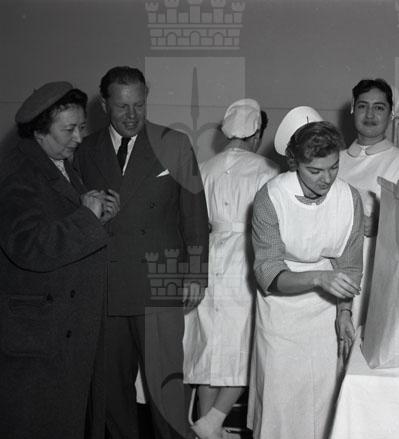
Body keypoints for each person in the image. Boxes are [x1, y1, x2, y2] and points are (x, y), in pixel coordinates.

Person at [75, 66, 210, 439]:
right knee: (109, 390)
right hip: (106, 280)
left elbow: (194, 214)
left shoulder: (174, 143)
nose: (132, 115)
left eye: (139, 104)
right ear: (105, 106)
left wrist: (196, 275)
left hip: (161, 276)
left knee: (166, 387)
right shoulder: (85, 149)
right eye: (122, 107)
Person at [0, 82, 119, 438]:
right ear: (39, 131)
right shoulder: (17, 174)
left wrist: (97, 217)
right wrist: (86, 217)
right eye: (69, 129)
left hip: (63, 326)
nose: (79, 138)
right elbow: (29, 245)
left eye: (81, 127)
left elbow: (59, 220)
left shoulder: (56, 162)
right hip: (39, 336)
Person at [248, 108, 364, 439]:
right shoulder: (271, 197)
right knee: (282, 402)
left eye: (334, 167)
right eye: (315, 171)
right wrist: (318, 279)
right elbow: (269, 273)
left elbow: (350, 264)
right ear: (294, 163)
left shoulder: (349, 198)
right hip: (281, 310)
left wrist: (344, 312)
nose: (327, 179)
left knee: (323, 401)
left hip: (327, 311)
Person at [183, 98, 278, 439]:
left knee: (208, 346)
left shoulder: (203, 168)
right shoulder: (268, 170)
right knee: (244, 343)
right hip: (247, 259)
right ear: (257, 134)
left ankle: (207, 423)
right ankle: (213, 422)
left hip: (208, 257)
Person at [338, 78, 399, 329]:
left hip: (386, 271)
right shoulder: (336, 162)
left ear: (391, 114)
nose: (370, 114)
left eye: (379, 107)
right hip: (338, 271)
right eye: (363, 106)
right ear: (352, 109)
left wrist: (382, 226)